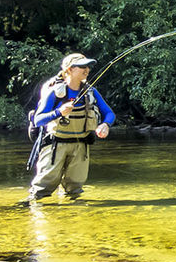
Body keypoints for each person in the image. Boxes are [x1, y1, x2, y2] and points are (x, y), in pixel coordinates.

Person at [24, 52, 115, 202]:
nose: (86, 69)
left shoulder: (91, 92)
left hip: (81, 146)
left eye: (88, 66)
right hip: (55, 145)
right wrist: (59, 112)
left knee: (75, 190)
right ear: (69, 69)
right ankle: (34, 213)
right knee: (42, 189)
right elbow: (38, 120)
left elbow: (109, 113)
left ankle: (72, 218)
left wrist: (105, 125)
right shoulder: (55, 92)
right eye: (81, 66)